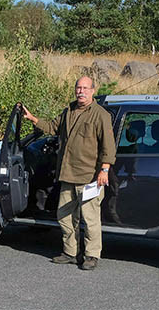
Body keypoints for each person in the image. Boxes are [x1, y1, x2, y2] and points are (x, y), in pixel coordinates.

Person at [22, 76, 116, 271]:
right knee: (64, 217)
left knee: (90, 220)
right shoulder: (68, 111)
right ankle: (70, 253)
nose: (80, 91)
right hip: (67, 175)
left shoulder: (100, 115)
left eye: (85, 88)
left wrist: (104, 170)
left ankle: (91, 256)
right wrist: (33, 119)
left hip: (90, 177)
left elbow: (108, 146)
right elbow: (52, 128)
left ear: (92, 90)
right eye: (78, 87)